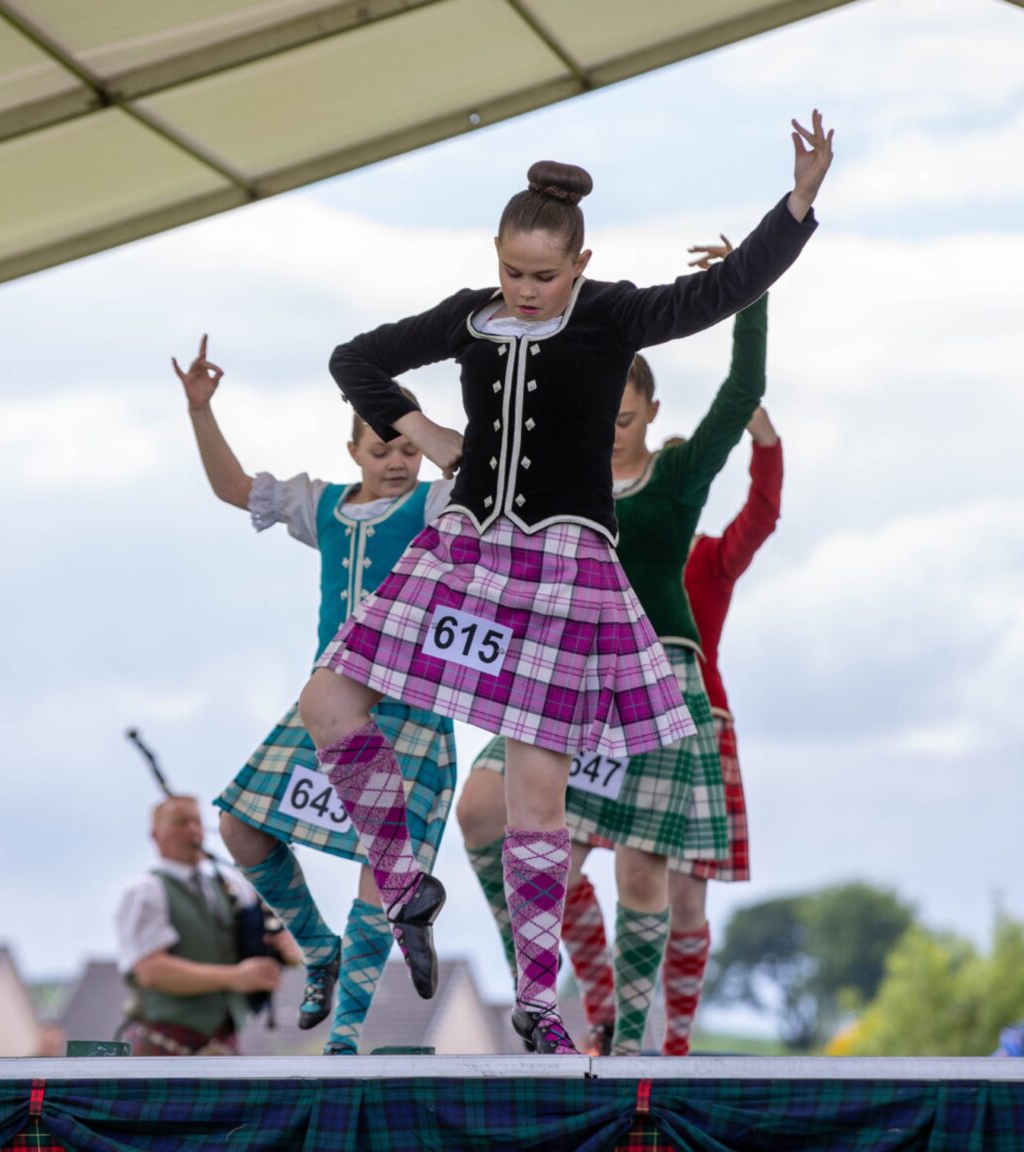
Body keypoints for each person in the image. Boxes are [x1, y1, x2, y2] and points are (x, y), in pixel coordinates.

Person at [296, 113, 833, 1054]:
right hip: (464, 548)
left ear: (581, 265)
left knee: (540, 794)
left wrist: (796, 204)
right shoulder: (469, 315)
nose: (527, 290)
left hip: (563, 567)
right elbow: (355, 359)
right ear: (495, 258)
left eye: (545, 275)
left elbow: (723, 289)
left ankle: (541, 1005)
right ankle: (404, 876)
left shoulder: (615, 314)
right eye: (514, 272)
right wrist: (422, 434)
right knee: (329, 698)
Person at [453, 287, 781, 1055]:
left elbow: (743, 391)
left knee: (643, 881)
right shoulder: (557, 478)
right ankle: (541, 991)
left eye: (625, 421)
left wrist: (751, 289)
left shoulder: (675, 479)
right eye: (598, 420)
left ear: (650, 414)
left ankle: (634, 1048)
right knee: (481, 813)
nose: (609, 435)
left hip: (658, 676)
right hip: (567, 672)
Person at [172, 339, 458, 1055]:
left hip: (409, 708)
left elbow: (486, 484)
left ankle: (347, 1039)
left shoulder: (437, 504)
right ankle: (316, 948)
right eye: (383, 448)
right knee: (240, 825)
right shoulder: (322, 504)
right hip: (326, 713)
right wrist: (200, 412)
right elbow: (234, 486)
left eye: (408, 450)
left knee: (380, 865)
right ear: (354, 448)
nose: (397, 461)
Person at [115, 795, 301, 1056]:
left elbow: (266, 935)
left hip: (223, 1042)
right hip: (162, 1043)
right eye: (181, 822)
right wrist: (237, 977)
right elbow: (151, 970)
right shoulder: (145, 891)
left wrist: (285, 949)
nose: (192, 830)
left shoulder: (230, 884)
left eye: (197, 822)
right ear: (155, 835)